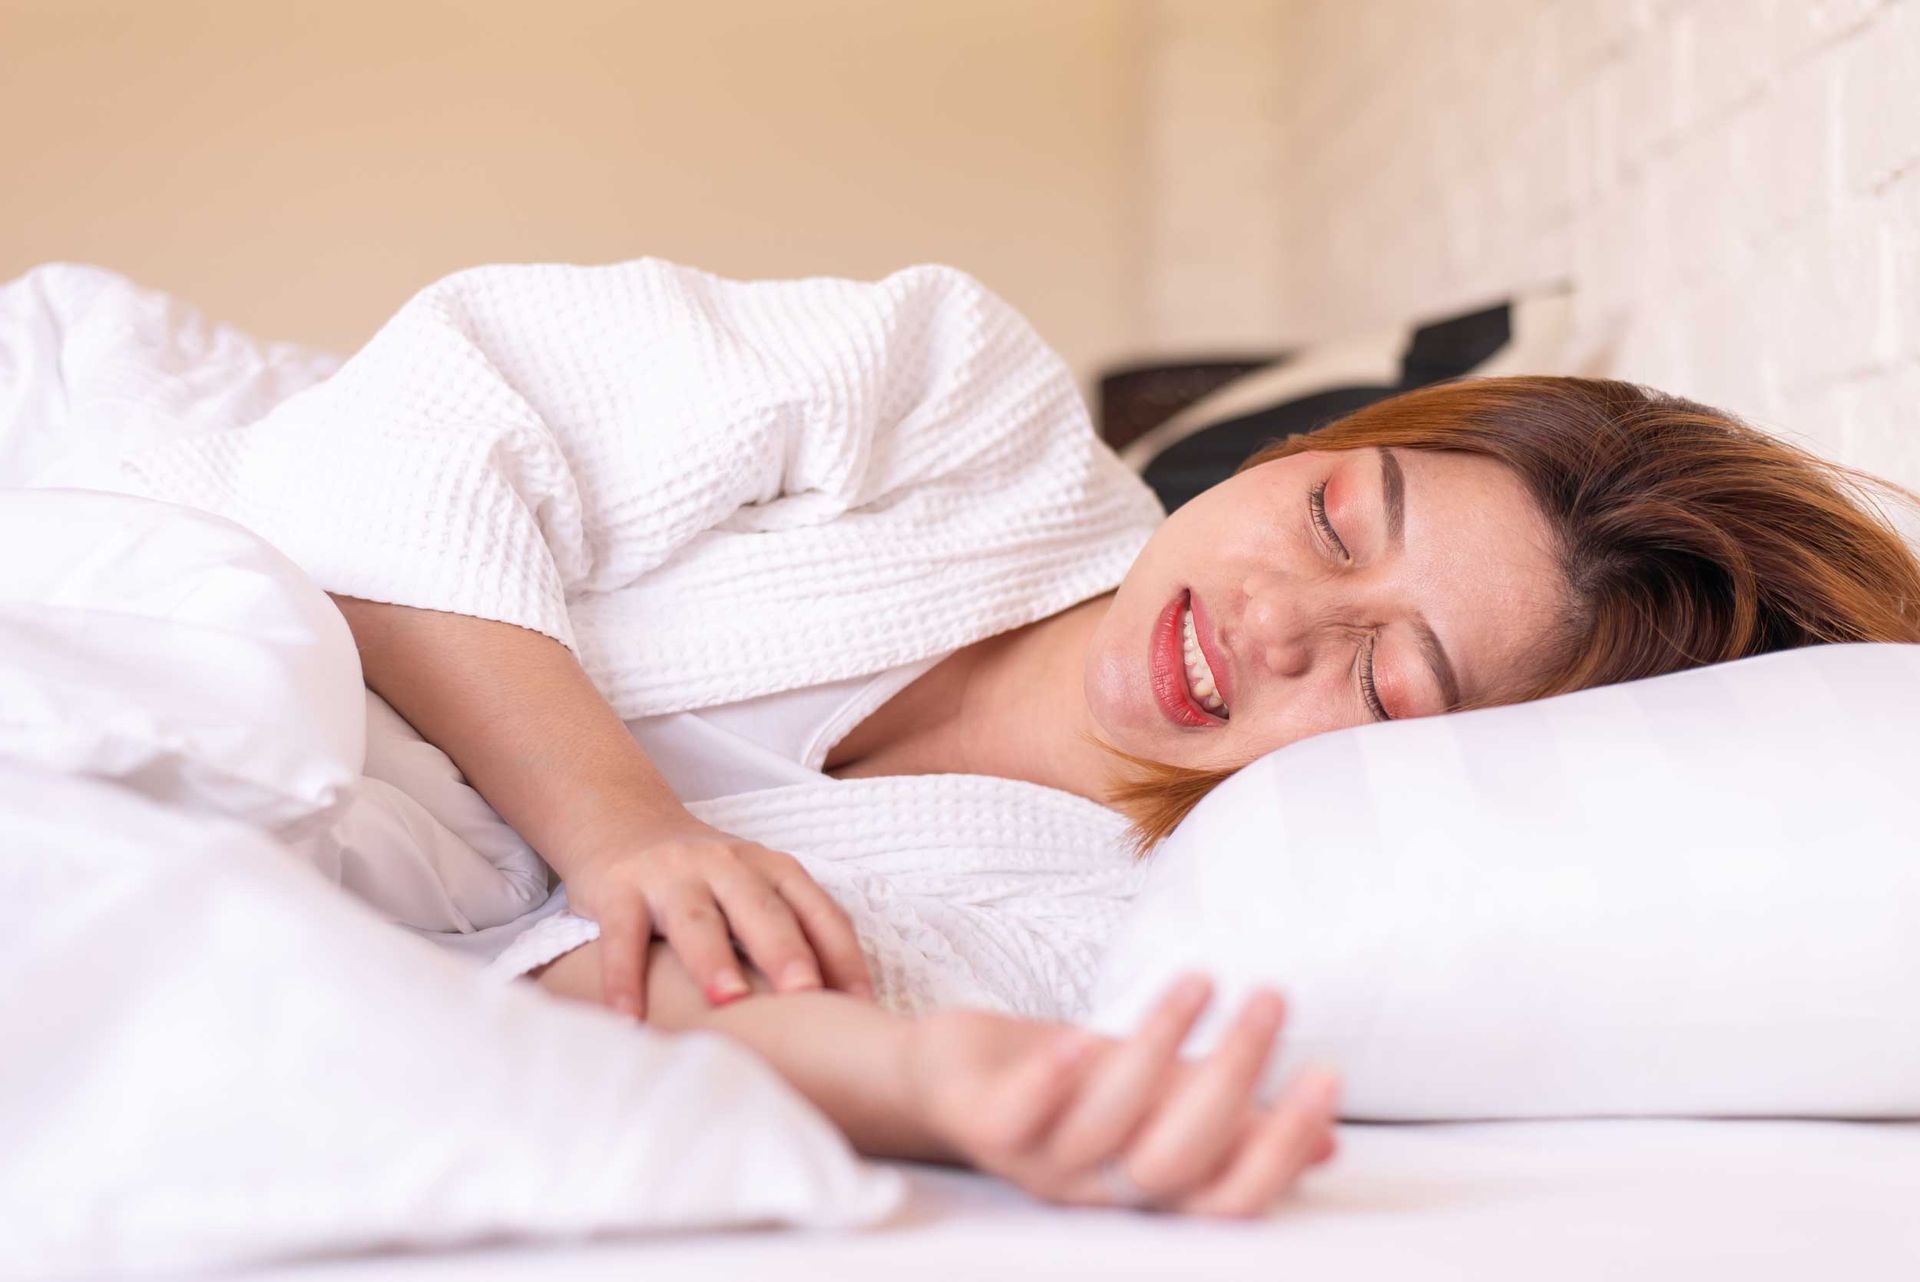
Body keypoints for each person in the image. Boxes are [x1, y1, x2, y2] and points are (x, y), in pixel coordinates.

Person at [133, 261, 1920, 1216]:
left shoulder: (1111, 917)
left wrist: (939, 1093)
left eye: (1388, 683)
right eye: (1334, 517)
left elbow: (603, 1005)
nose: (1280, 626)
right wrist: (621, 824)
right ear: (1322, 441)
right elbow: (416, 438)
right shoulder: (956, 393)